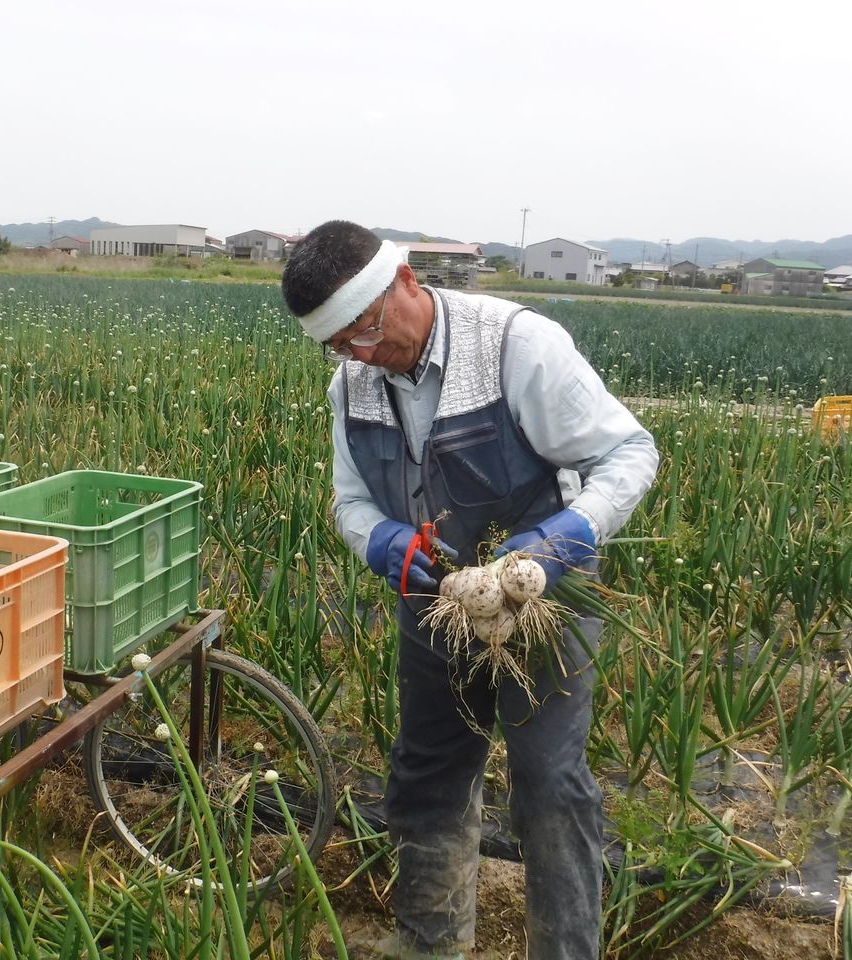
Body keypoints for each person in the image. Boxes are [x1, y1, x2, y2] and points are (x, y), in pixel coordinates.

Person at [280, 221, 659, 960]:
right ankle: (430, 945)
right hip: (437, 604)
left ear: (408, 283)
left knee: (549, 781)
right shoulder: (350, 383)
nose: (361, 354)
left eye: (365, 329)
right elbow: (349, 502)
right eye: (339, 345)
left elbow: (629, 451)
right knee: (427, 773)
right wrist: (382, 542)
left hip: (540, 599)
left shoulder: (518, 346)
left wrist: (562, 542)